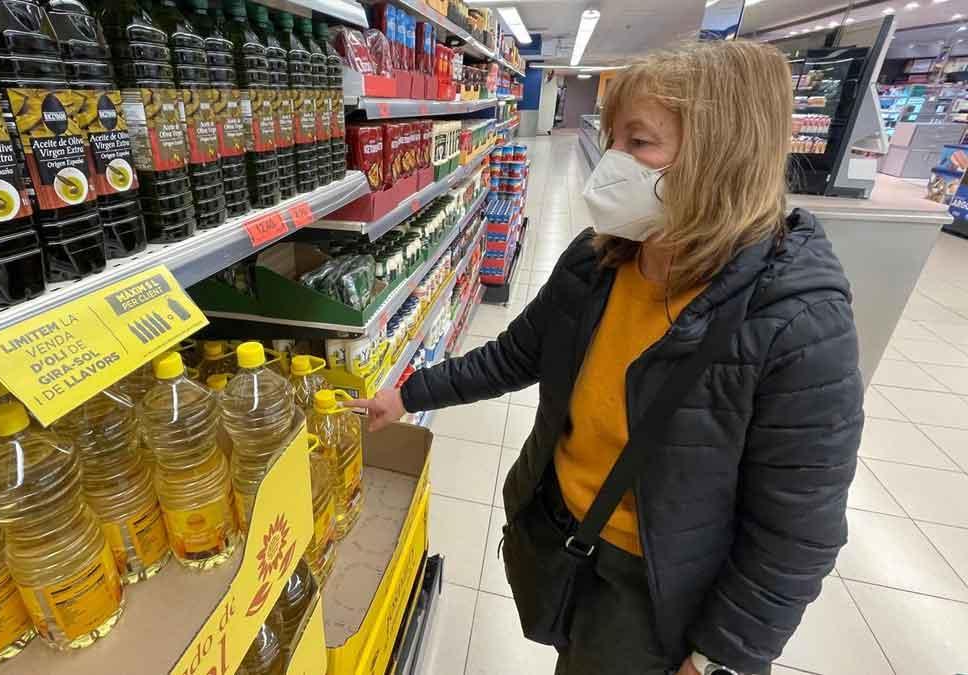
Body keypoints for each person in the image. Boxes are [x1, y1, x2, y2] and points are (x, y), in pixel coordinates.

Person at [352, 40, 863, 675]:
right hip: (566, 542)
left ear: (718, 158)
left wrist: (719, 656)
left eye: (639, 143)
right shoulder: (600, 261)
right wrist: (407, 394)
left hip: (661, 595)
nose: (612, 163)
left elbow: (795, 530)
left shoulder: (795, 322)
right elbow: (516, 355)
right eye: (612, 137)